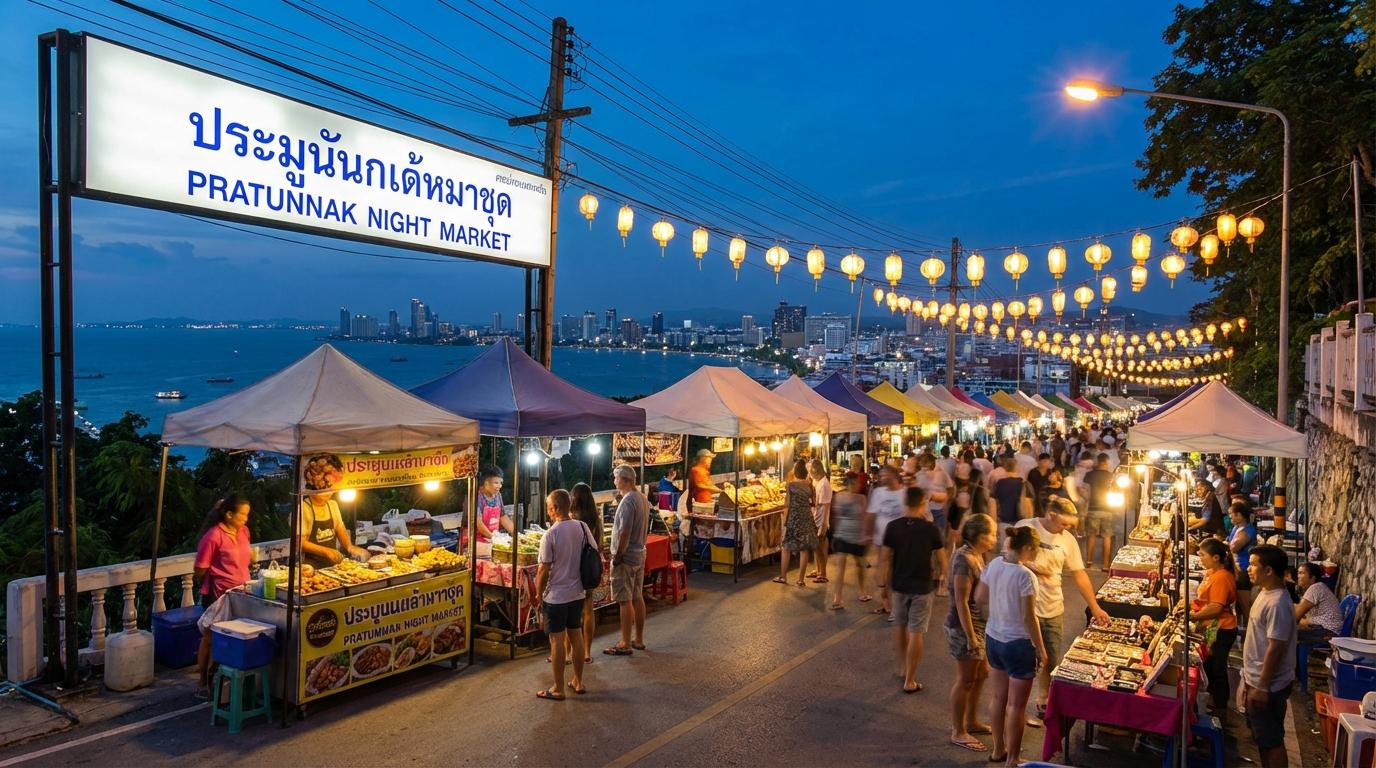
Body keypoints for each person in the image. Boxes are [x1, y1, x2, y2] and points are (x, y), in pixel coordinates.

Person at [1016, 499, 1110, 724]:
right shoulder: (1025, 528)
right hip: (1025, 608)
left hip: (1053, 607)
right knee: (1024, 660)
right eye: (1064, 524)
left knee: (1050, 657)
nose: (1068, 529)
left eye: (1071, 525)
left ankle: (1042, 700)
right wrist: (1034, 567)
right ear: (1051, 514)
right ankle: (1018, 709)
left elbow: (1079, 574)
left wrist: (1095, 606)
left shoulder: (1067, 541)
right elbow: (1009, 560)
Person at [977, 524, 1047, 768]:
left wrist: (995, 617)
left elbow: (979, 597)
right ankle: (1013, 759)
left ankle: (998, 750)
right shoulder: (1025, 576)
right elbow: (1030, 617)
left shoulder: (993, 565)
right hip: (1018, 644)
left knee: (998, 697)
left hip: (993, 639)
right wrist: (1041, 648)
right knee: (1016, 705)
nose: (1036, 555)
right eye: (1036, 550)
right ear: (1027, 548)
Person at [882, 487, 947, 694]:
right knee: (916, 631)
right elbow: (943, 560)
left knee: (900, 626)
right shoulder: (930, 529)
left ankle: (902, 667)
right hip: (922, 586)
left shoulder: (893, 527)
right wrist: (944, 579)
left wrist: (882, 587)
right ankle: (910, 679)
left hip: (899, 585)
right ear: (922, 504)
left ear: (905, 503)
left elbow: (884, 559)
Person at [1242, 544, 1298, 768]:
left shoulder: (1277, 604)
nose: (1248, 568)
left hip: (1269, 685)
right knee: (1263, 738)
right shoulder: (1265, 593)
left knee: (1271, 740)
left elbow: (1276, 648)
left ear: (1269, 571)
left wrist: (1262, 686)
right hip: (1256, 679)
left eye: (1254, 564)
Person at [535, 489, 593, 700]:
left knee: (557, 641)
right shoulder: (582, 527)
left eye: (549, 507)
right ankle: (578, 680)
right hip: (577, 592)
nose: (548, 511)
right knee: (576, 635)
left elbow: (543, 570)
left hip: (556, 596)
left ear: (556, 508)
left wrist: (538, 594)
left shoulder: (551, 534)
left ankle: (558, 688)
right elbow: (591, 553)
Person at [947, 513, 997, 753]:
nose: (995, 538)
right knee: (965, 679)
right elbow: (961, 601)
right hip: (963, 627)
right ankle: (958, 730)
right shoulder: (963, 559)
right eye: (992, 534)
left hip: (980, 625)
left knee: (981, 674)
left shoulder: (977, 555)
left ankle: (971, 720)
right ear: (979, 536)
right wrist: (971, 637)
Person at [194, 495, 252, 698]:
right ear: (229, 514)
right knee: (210, 638)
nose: (246, 518)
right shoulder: (213, 536)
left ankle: (220, 677)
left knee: (234, 637)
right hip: (217, 594)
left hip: (241, 593)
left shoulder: (244, 531)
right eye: (243, 514)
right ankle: (203, 681)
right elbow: (200, 568)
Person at [604, 465, 650, 656]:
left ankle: (625, 642)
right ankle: (638, 639)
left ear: (624, 480)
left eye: (616, 478)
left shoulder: (628, 501)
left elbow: (624, 532)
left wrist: (619, 555)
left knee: (624, 600)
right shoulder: (642, 499)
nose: (614, 482)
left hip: (628, 555)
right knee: (637, 596)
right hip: (640, 552)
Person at [1193, 538, 1239, 714]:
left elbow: (1216, 607)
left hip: (1222, 629)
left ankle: (1219, 706)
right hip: (1212, 627)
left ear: (1216, 557)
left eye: (1203, 555)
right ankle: (1210, 700)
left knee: (1217, 667)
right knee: (1210, 663)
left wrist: (1194, 616)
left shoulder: (1222, 578)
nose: (1200, 558)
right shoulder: (1212, 573)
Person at [828, 472, 873, 609]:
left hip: (843, 535)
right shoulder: (861, 499)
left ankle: (838, 598)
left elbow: (835, 516)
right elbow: (865, 517)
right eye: (858, 482)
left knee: (847, 568)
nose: (860, 485)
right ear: (852, 483)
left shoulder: (839, 497)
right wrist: (866, 536)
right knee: (858, 566)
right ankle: (861, 592)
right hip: (854, 536)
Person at [868, 465, 908, 613]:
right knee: (882, 568)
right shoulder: (878, 493)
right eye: (881, 475)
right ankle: (884, 600)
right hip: (881, 539)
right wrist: (868, 534)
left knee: (895, 570)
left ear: (894, 475)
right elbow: (871, 514)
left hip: (900, 540)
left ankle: (895, 601)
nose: (883, 478)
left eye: (886, 475)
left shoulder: (904, 493)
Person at [568, 483, 601, 664]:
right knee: (589, 610)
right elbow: (600, 544)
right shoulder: (596, 518)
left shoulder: (572, 518)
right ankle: (587, 652)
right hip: (589, 568)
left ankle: (567, 653)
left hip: (573, 568)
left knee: (571, 612)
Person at [775, 461, 818, 587]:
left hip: (794, 517)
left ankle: (783, 576)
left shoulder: (791, 485)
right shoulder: (810, 485)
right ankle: (800, 579)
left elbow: (787, 504)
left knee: (786, 546)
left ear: (795, 472)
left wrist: (785, 520)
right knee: (804, 548)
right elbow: (814, 501)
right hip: (806, 516)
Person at [299, 490, 367, 567]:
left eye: (330, 489)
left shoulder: (332, 505)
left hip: (332, 565)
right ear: (311, 490)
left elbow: (339, 527)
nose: (328, 492)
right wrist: (326, 551)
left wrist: (350, 547)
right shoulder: (302, 508)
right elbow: (300, 543)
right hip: (310, 566)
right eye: (323, 490)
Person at [1082, 454, 1117, 571]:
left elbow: (1084, 490)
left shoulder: (1089, 475)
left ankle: (1089, 562)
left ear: (1098, 461)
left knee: (1091, 536)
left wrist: (1086, 502)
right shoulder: (1111, 476)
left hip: (1093, 508)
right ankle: (1106, 565)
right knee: (1106, 537)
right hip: (1108, 509)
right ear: (1106, 462)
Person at [1295, 562, 1344, 643]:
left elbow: (1296, 616)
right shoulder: (1318, 587)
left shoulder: (1315, 588)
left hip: (1329, 632)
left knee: (1287, 634)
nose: (1298, 576)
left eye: (1302, 573)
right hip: (1326, 629)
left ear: (1312, 578)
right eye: (1298, 573)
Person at [1229, 503, 1257, 624]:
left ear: (1240, 515)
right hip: (1236, 567)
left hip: (1244, 569)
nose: (1231, 518)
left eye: (1232, 515)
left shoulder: (1248, 530)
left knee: (1245, 602)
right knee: (1238, 602)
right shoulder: (1236, 528)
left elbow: (1235, 547)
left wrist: (1228, 546)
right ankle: (1241, 627)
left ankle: (1249, 629)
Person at [807, 459, 833, 584]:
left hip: (820, 520)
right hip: (815, 518)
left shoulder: (824, 485)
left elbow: (826, 507)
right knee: (816, 547)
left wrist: (823, 525)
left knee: (820, 548)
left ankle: (823, 573)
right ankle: (818, 570)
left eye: (810, 471)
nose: (809, 474)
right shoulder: (817, 482)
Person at [991, 457, 1027, 542]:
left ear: (1005, 468)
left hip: (1003, 520)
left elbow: (995, 501)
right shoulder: (1022, 483)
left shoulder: (1000, 483)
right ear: (1016, 468)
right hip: (1019, 520)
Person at [476, 466, 513, 542]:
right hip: (476, 540)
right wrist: (495, 538)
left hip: (493, 538)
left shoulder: (498, 495)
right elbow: (478, 522)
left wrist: (517, 534)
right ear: (486, 483)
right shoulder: (476, 496)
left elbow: (503, 517)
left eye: (501, 483)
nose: (500, 486)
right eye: (496, 483)